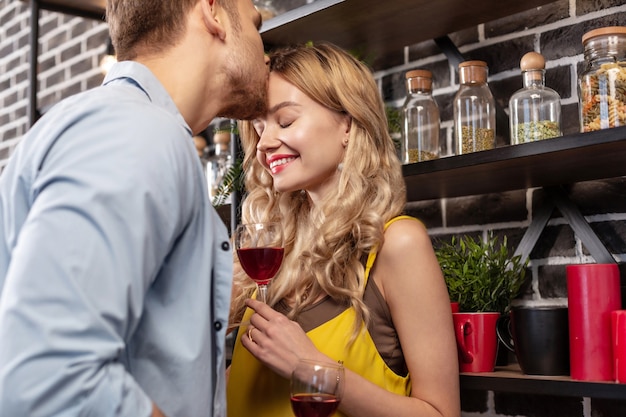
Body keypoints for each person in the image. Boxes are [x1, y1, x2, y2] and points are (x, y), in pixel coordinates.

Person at [0, 0, 268, 416]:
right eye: (255, 23)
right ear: (213, 12)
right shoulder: (137, 132)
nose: (263, 49)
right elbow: (50, 376)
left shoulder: (107, 123)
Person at [226, 42, 460, 417]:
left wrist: (310, 367)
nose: (264, 143)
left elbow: (441, 413)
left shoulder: (397, 243)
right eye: (258, 127)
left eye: (285, 121)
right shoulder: (269, 258)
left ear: (348, 124)